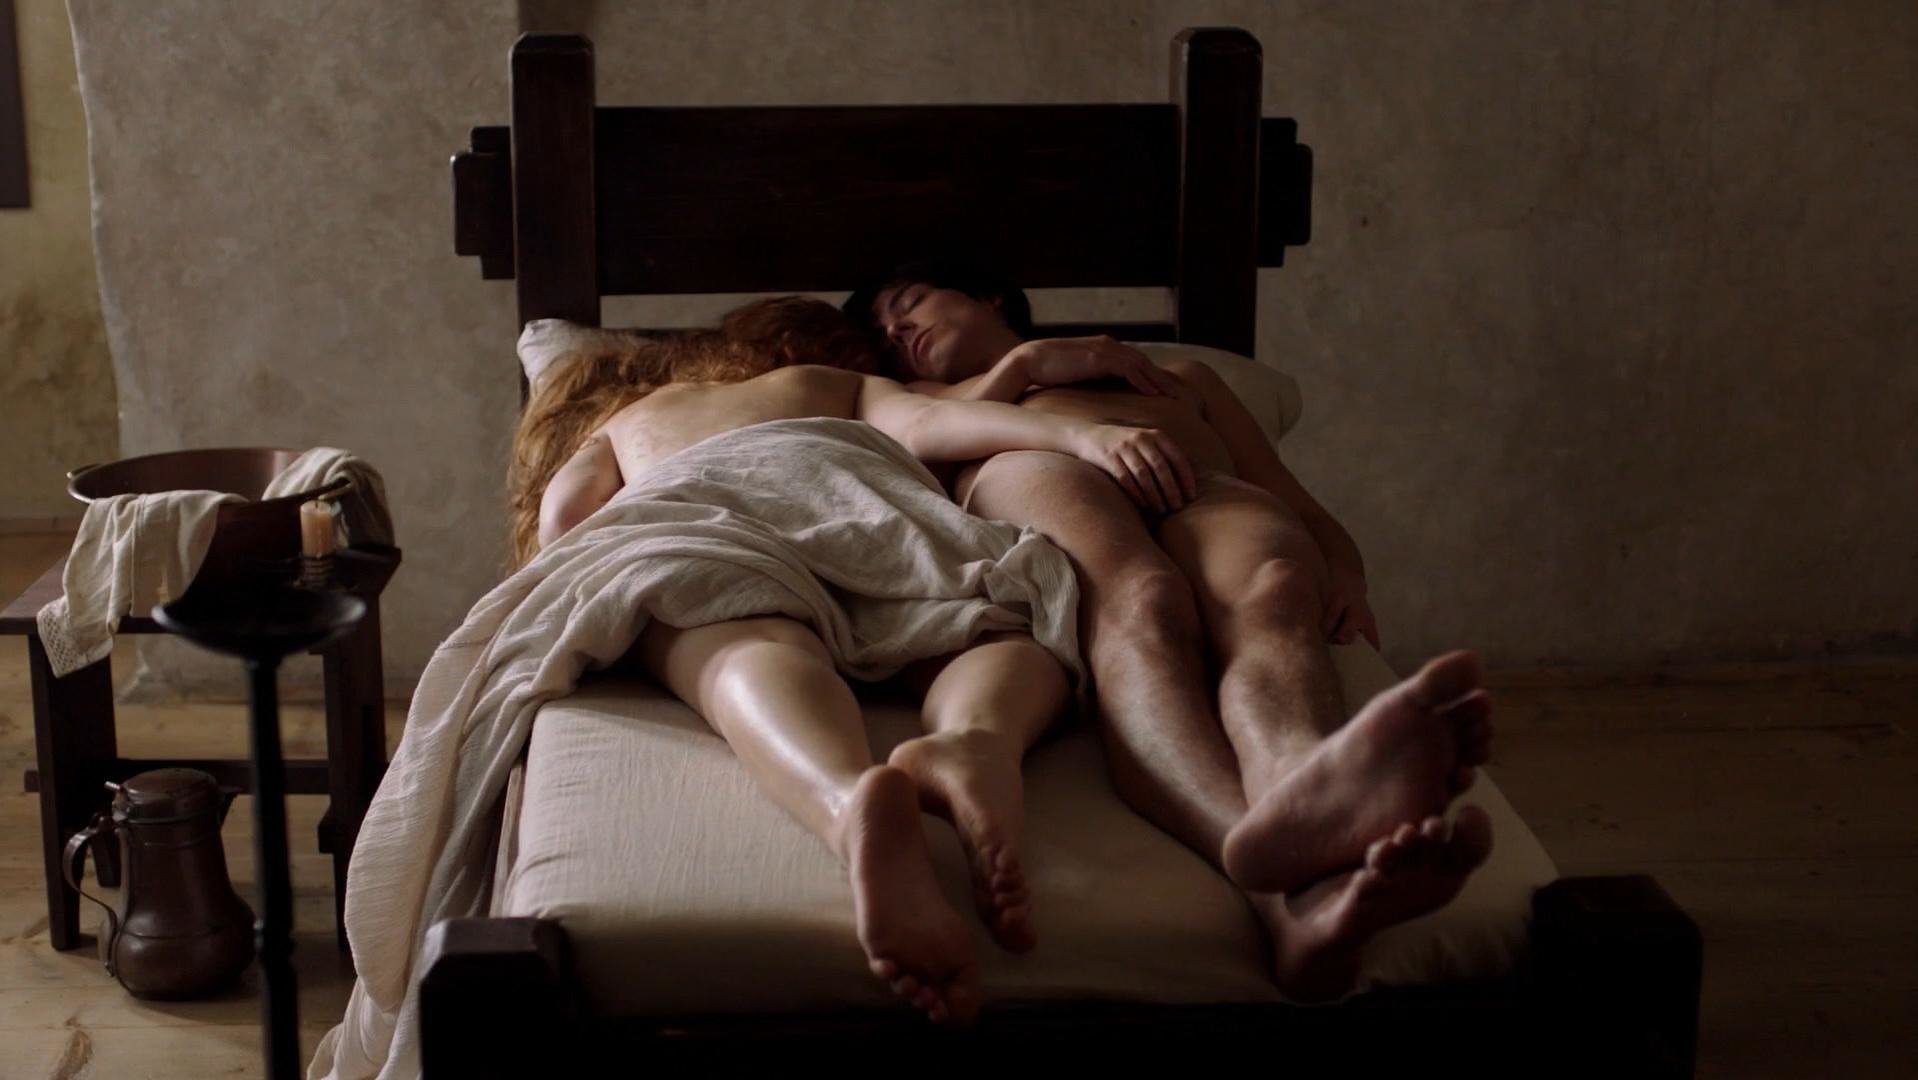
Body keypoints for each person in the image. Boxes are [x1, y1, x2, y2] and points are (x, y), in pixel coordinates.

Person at [506, 296, 1195, 1024]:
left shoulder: (628, 419)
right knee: (993, 629)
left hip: (700, 506)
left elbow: (566, 519)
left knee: (751, 646)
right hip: (855, 495)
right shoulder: (828, 383)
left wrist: (601, 602)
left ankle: (844, 801)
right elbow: (930, 426)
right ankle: (977, 739)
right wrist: (1084, 436)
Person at [845, 260, 1496, 998]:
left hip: (1203, 482)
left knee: (1277, 589)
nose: (897, 331)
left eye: (909, 302)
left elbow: (1295, 499)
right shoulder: (921, 398)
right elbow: (912, 443)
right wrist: (1028, 367)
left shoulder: (1183, 377)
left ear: (988, 294)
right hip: (1037, 465)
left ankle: (1300, 787)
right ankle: (1275, 893)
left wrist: (1346, 571)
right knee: (1142, 600)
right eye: (882, 335)